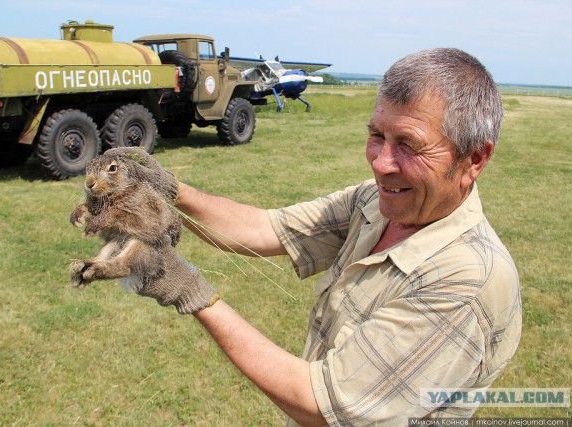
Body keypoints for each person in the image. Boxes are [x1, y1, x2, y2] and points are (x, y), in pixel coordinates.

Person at [132, 48, 523, 426]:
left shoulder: (468, 281)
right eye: (377, 136)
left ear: (474, 160)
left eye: (409, 146)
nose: (381, 163)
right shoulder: (374, 202)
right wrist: (168, 189)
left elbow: (324, 404)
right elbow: (265, 228)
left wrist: (192, 291)